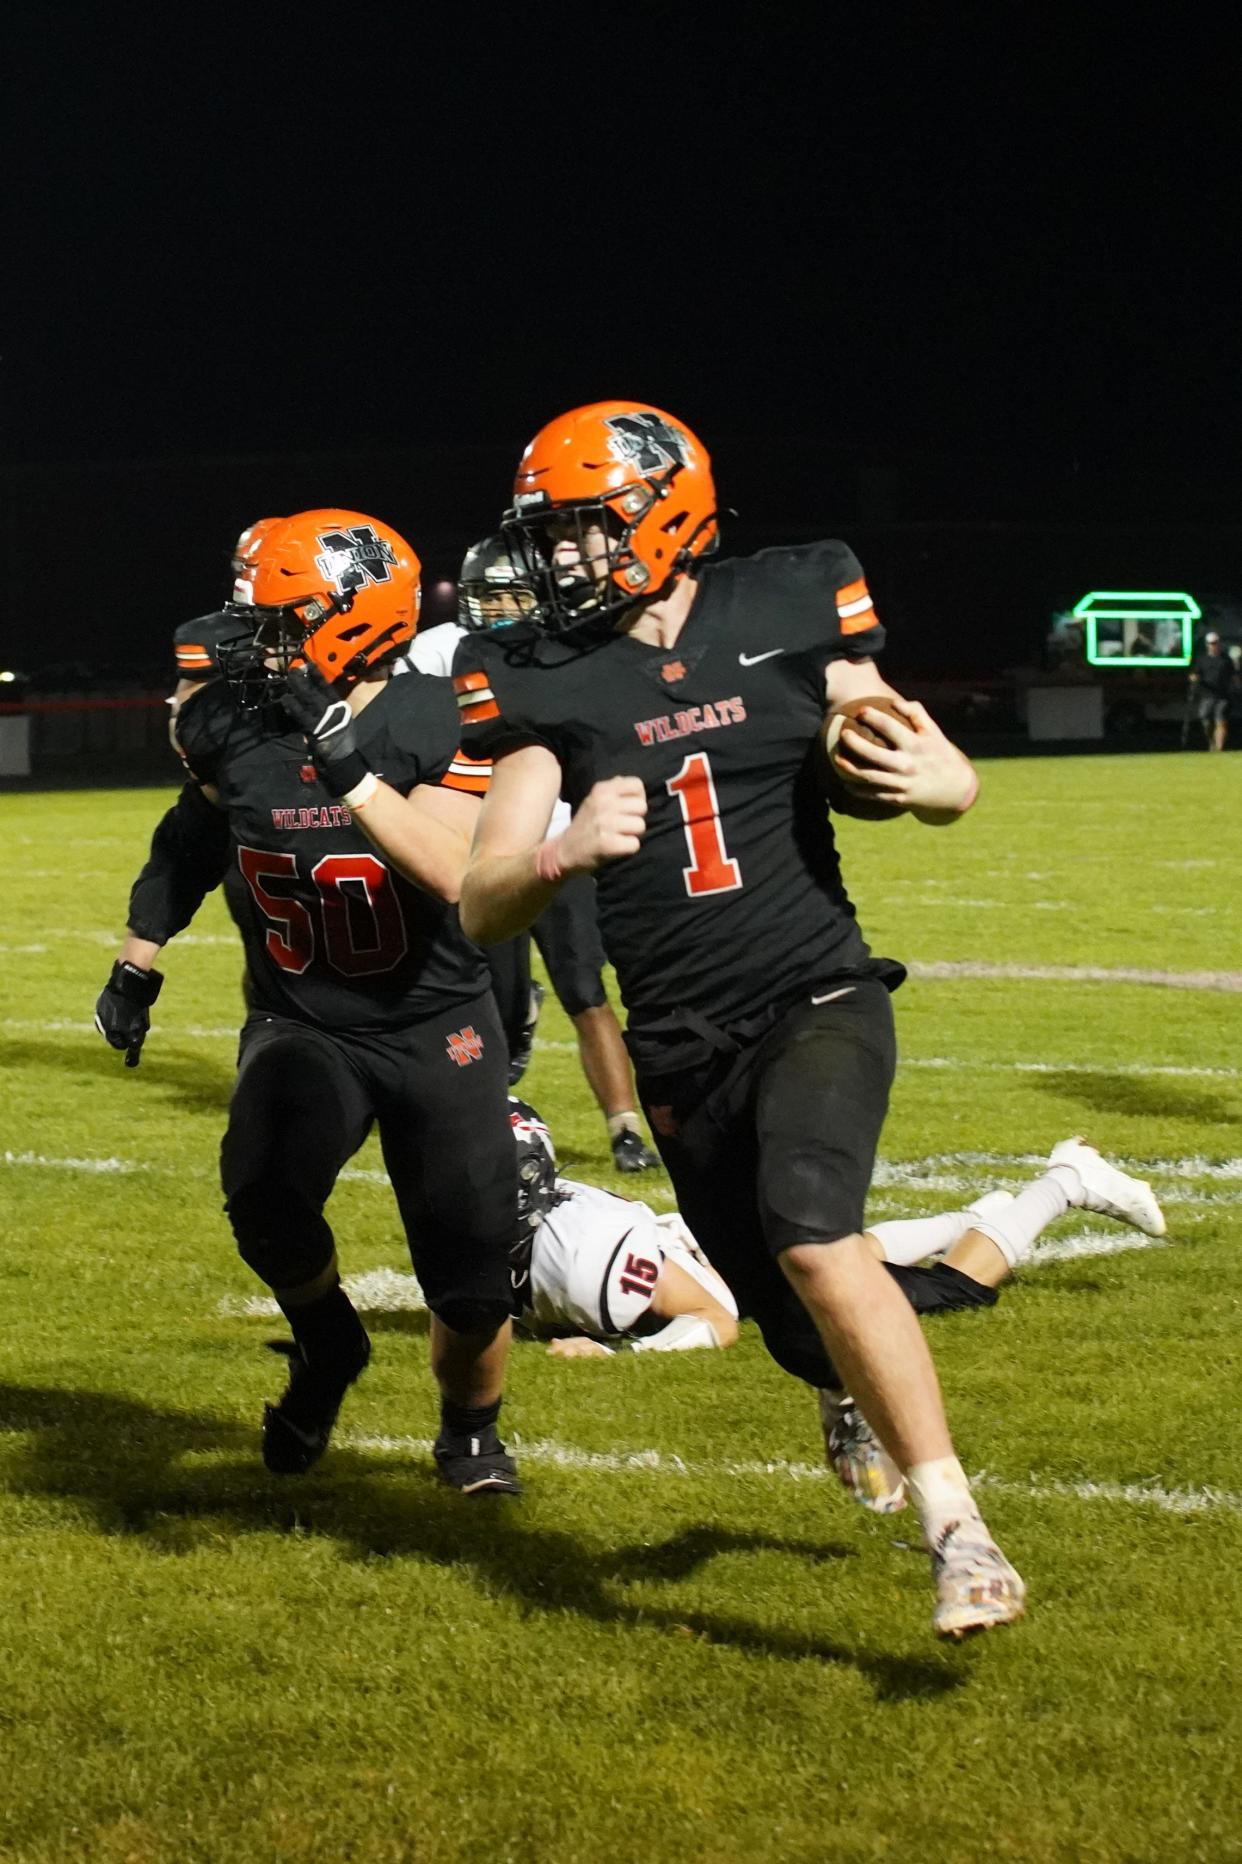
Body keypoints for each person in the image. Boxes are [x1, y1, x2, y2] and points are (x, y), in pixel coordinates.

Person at [443, 400, 1072, 1638]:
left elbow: (887, 730)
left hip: (818, 991)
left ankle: (962, 1533)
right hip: (680, 1040)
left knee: (813, 1234)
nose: (559, 560)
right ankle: (842, 1387)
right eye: (548, 537)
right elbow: (479, 900)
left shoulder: (793, 599)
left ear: (665, 509)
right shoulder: (533, 672)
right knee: (790, 1320)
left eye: (582, 530)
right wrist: (562, 855)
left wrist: (952, 786)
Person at [95, 508, 521, 1494]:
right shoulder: (233, 722)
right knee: (262, 1188)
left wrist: (345, 758)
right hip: (306, 1018)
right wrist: (136, 961)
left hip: (434, 1020)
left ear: (357, 616)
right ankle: (329, 1345)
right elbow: (188, 848)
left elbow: (455, 867)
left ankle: (470, 1424)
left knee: (468, 1270)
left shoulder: (445, 712)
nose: (260, 643)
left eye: (283, 621)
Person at [402, 534, 660, 1171]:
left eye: (514, 595)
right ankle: (493, 1118)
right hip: (486, 853)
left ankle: (625, 1126)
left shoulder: (561, 655)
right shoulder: (437, 653)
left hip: (561, 842)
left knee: (586, 989)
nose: (500, 610)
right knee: (496, 1001)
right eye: (488, 598)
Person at [1188, 629, 1234, 751]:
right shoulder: (1202, 659)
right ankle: (1211, 743)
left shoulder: (1226, 659)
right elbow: (1195, 673)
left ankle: (1219, 748)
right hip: (1207, 695)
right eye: (1211, 643)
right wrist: (1194, 678)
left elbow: (1233, 675)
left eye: (1216, 643)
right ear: (1207, 644)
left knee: (1221, 720)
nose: (1214, 645)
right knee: (1206, 721)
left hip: (1223, 696)